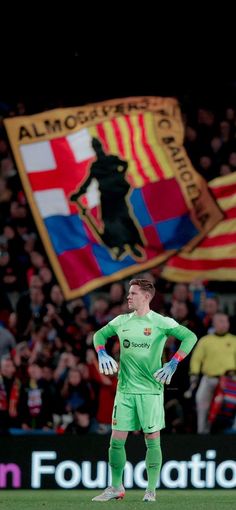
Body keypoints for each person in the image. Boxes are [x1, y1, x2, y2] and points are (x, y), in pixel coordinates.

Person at [92, 278, 197, 502]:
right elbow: (98, 335)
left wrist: (174, 362)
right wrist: (102, 352)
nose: (128, 297)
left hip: (151, 391)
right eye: (129, 293)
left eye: (133, 293)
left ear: (146, 296)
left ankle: (150, 490)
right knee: (116, 440)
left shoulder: (161, 322)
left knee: (152, 439)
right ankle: (116, 487)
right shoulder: (121, 321)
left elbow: (190, 337)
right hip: (125, 390)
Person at [71, 137, 145, 259]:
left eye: (98, 146)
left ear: (101, 147)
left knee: (123, 218)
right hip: (106, 197)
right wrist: (78, 194)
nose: (98, 149)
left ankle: (132, 245)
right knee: (109, 222)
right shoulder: (95, 166)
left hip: (117, 195)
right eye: (95, 148)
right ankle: (119, 246)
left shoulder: (112, 159)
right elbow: (87, 183)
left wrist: (120, 175)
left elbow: (124, 164)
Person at [186, 312, 236, 434]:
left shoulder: (234, 340)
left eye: (226, 321)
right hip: (209, 379)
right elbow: (196, 359)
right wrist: (194, 374)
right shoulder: (205, 341)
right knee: (201, 402)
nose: (224, 324)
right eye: (221, 321)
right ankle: (202, 433)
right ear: (214, 323)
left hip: (230, 381)